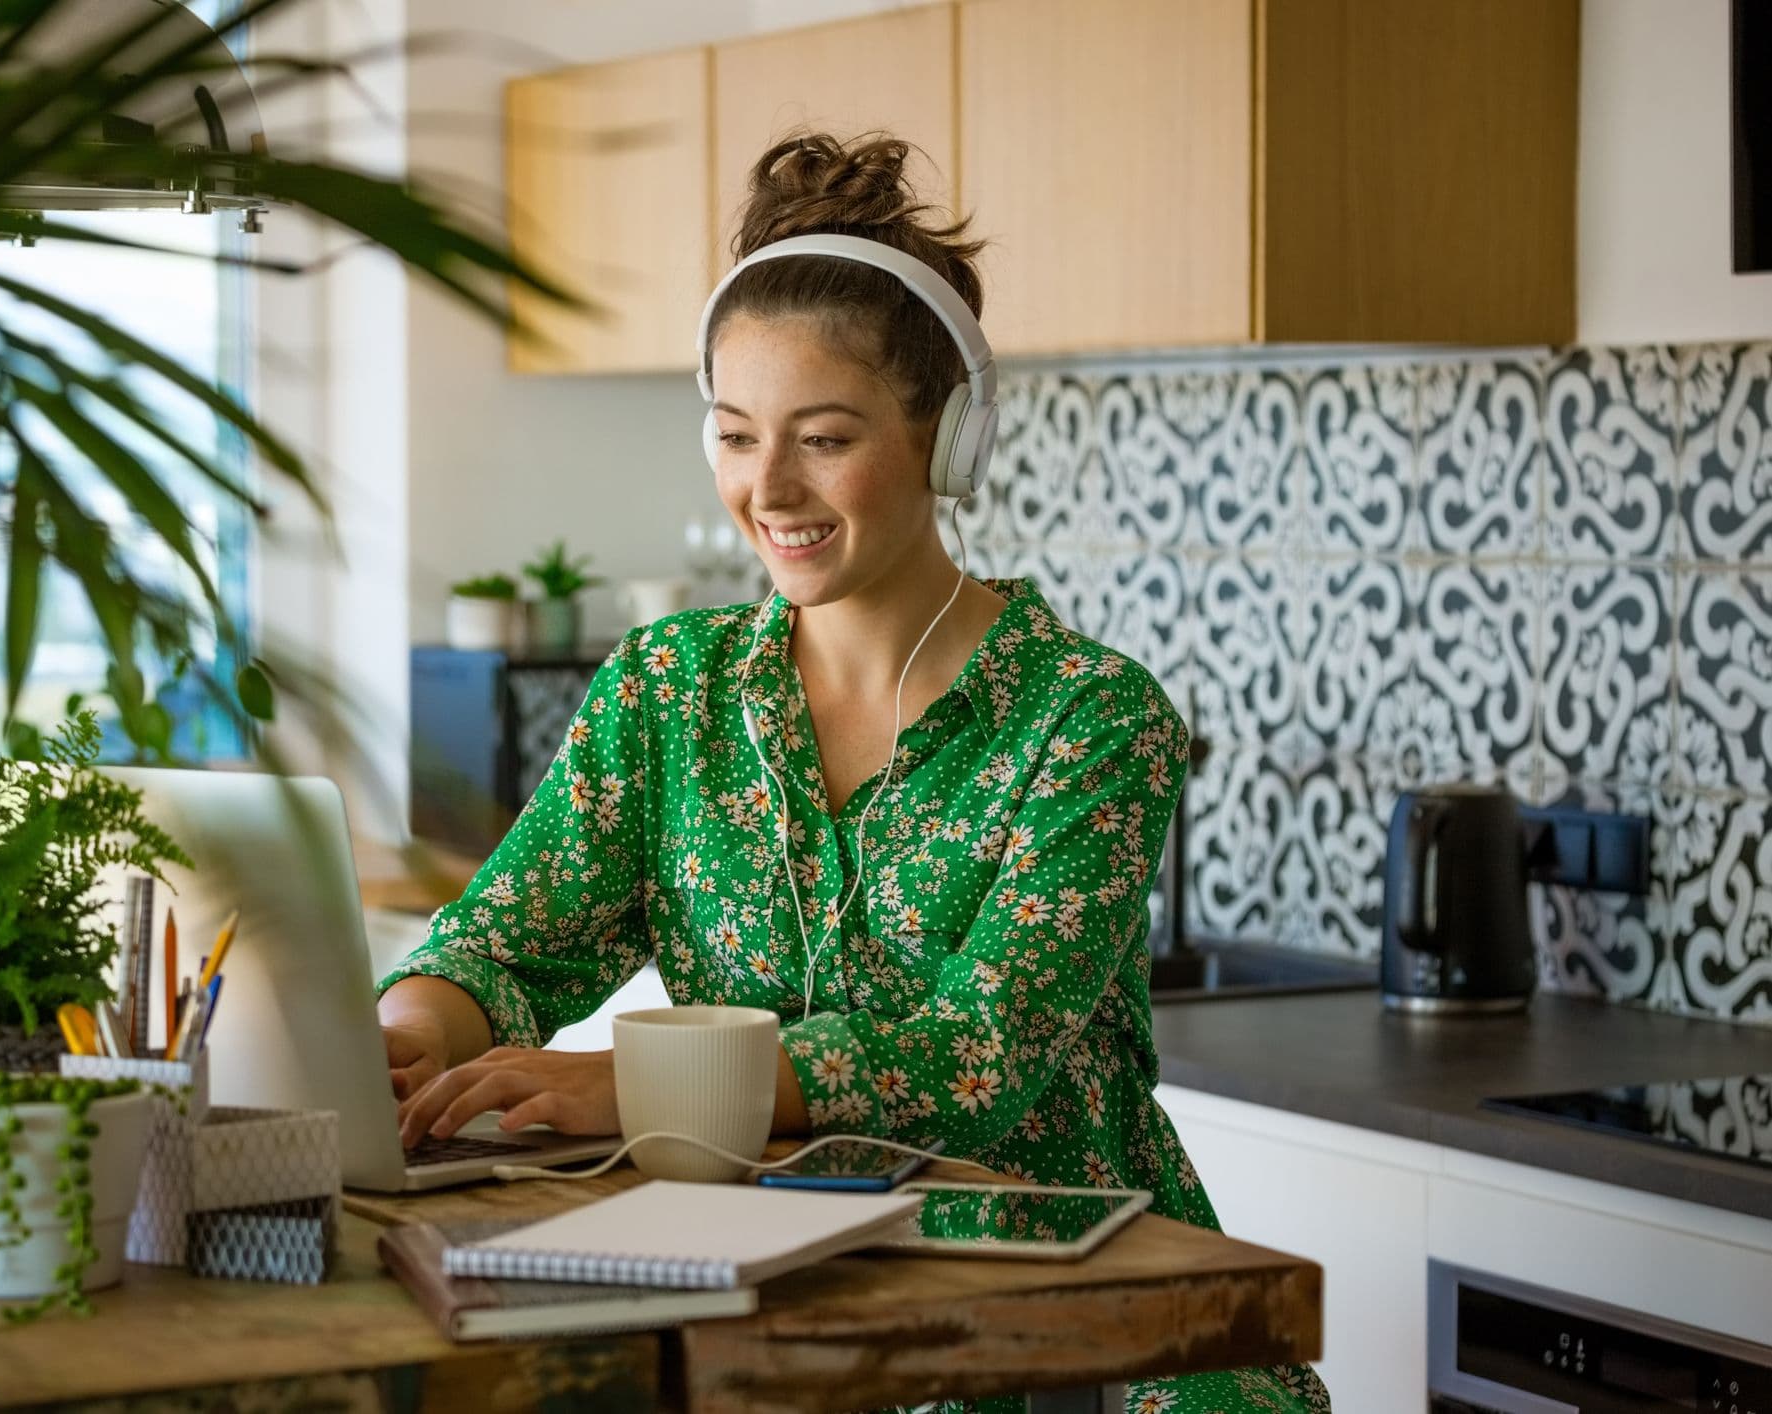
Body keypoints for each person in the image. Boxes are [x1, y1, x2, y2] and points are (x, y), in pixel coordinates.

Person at [378, 130, 1332, 1414]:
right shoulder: (672, 692)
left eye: (823, 437)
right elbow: (511, 939)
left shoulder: (1090, 721)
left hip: (1082, 1347)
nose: (767, 488)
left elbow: (977, 1062)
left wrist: (637, 1080)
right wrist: (406, 1035)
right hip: (781, 1332)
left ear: (944, 440)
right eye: (732, 435)